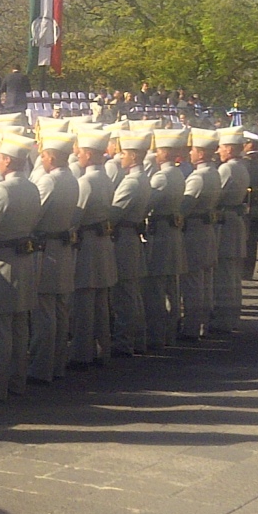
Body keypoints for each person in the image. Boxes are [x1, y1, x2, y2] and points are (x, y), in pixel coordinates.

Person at [0, 133, 41, 402]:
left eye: (0, 157)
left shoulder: (3, 190)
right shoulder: (32, 187)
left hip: (2, 261)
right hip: (24, 260)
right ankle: (17, 380)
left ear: (7, 161)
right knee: (19, 325)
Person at [26, 128, 80, 384]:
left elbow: (34, 214)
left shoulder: (50, 181)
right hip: (62, 248)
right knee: (59, 311)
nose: (43, 161)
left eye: (45, 157)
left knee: (44, 313)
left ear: (53, 158)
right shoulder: (71, 178)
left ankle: (41, 367)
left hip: (46, 250)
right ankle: (56, 364)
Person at [68, 129, 117, 368]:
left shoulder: (85, 181)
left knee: (85, 303)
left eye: (80, 151)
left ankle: (82, 352)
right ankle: (103, 348)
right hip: (102, 242)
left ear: (88, 154)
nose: (77, 155)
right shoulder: (105, 177)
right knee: (99, 302)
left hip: (87, 245)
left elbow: (75, 217)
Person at [143, 128, 188, 352]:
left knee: (157, 289)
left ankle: (157, 335)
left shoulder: (161, 177)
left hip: (160, 234)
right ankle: (169, 332)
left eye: (159, 150)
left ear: (165, 152)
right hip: (171, 233)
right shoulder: (177, 173)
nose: (156, 154)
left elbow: (146, 205)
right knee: (171, 287)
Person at [109, 129, 152, 357]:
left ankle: (125, 341)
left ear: (133, 156)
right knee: (131, 293)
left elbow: (113, 215)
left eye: (124, 153)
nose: (121, 157)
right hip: (131, 237)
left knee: (124, 294)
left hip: (123, 239)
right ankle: (137, 338)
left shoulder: (130, 183)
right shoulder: (141, 179)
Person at [178, 128, 221, 341]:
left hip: (194, 231)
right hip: (206, 230)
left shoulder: (198, 177)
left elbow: (184, 208)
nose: (191, 154)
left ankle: (191, 328)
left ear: (202, 153)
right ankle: (202, 324)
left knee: (193, 283)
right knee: (204, 282)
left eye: (194, 150)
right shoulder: (213, 172)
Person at [210, 128, 250, 333]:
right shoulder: (241, 167)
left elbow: (215, 196)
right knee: (233, 274)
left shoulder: (227, 169)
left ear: (230, 148)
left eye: (222, 147)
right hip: (234, 220)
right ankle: (232, 316)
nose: (218, 151)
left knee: (224, 273)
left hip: (225, 222)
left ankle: (223, 319)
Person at [241, 131, 258, 280]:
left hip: (247, 200)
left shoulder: (246, 161)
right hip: (255, 200)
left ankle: (243, 270)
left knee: (246, 238)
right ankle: (248, 270)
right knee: (252, 240)